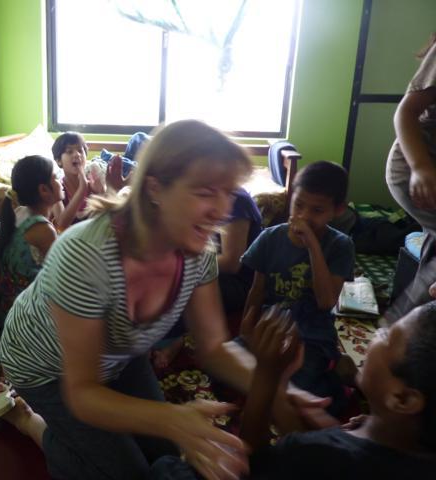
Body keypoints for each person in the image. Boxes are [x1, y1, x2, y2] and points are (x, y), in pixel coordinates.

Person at [0, 120, 332, 480]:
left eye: (228, 192)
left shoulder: (197, 252)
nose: (222, 209)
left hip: (119, 356)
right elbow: (82, 392)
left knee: (165, 453)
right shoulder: (85, 254)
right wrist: (170, 418)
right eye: (205, 192)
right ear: (155, 188)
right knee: (128, 473)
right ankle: (35, 425)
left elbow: (214, 348)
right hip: (46, 368)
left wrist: (280, 391)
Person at [149, 302, 436, 479]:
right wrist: (281, 382)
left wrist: (266, 374)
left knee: (167, 468)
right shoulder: (402, 442)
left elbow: (253, 460)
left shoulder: (320, 455)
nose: (376, 332)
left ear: (402, 399)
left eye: (387, 335)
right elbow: (309, 443)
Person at [240, 161, 355, 416]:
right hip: (271, 326)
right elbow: (257, 291)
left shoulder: (340, 246)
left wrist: (313, 246)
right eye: (298, 205)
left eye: (317, 210)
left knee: (303, 390)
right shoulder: (270, 237)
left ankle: (336, 372)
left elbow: (326, 301)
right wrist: (246, 330)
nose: (303, 216)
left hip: (311, 335)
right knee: (230, 368)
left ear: (337, 210)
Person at [151, 187, 262, 369]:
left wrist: (181, 268)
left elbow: (231, 262)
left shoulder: (238, 201)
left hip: (238, 282)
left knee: (179, 287)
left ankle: (171, 340)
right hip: (214, 271)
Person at [385, 32, 436, 324]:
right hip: (418, 165)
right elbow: (405, 111)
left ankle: (402, 332)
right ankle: (402, 332)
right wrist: (421, 167)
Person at [0, 154, 63, 321]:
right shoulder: (43, 231)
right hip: (28, 319)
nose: (61, 182)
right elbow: (63, 278)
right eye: (56, 178)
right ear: (43, 190)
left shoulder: (19, 213)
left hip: (8, 312)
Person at [51, 131, 142, 230]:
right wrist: (82, 189)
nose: (77, 154)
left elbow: (106, 217)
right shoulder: (57, 188)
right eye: (69, 151)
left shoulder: (93, 185)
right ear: (59, 161)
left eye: (80, 150)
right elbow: (61, 224)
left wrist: (101, 193)